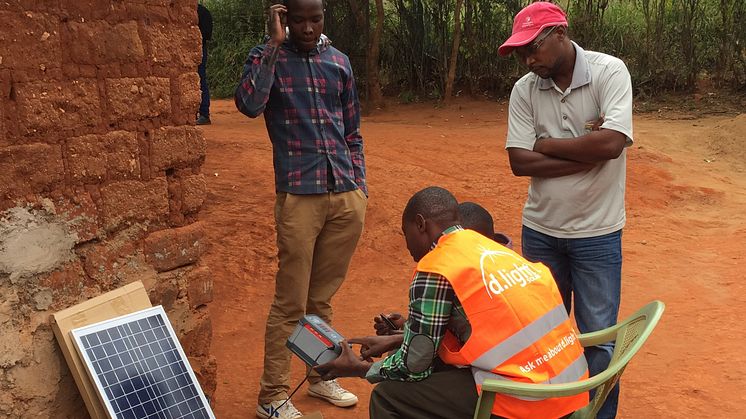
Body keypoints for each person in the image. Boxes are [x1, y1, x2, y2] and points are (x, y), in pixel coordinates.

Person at [316, 186, 588, 419]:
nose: (408, 245)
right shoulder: (491, 248)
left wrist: (360, 369)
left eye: (405, 233)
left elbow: (415, 366)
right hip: (569, 385)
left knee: (389, 397)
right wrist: (400, 337)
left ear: (421, 224)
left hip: (529, 400)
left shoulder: (436, 267)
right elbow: (488, 327)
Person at [498, 2, 633, 418]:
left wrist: (547, 144)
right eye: (520, 52)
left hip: (598, 233)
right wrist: (585, 154)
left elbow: (611, 144)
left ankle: (595, 416)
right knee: (541, 336)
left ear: (559, 33)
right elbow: (519, 162)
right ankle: (550, 412)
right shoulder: (525, 89)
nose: (527, 59)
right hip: (541, 231)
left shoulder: (609, 72)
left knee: (598, 339)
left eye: (532, 48)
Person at [234, 0, 367, 417]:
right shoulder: (266, 57)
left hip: (344, 193)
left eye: (315, 18)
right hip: (299, 194)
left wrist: (359, 185)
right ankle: (272, 396)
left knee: (321, 299)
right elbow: (249, 104)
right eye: (298, 20)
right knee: (290, 302)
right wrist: (275, 45)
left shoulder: (339, 61)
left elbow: (352, 130)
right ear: (282, 18)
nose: (307, 28)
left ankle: (320, 377)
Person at [196, 3, 213, 125]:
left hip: (199, 48)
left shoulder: (202, 12)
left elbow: (207, 34)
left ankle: (204, 113)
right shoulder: (203, 11)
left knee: (200, 78)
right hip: (190, 49)